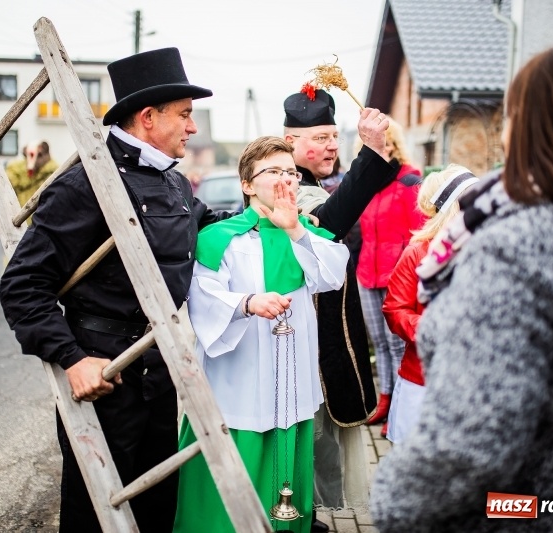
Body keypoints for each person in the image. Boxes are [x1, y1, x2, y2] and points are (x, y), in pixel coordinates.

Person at [370, 43, 553, 532]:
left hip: (535, 510)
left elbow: (472, 438)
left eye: (511, 117)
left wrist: (392, 501)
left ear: (529, 129)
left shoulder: (512, 247)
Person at [0, 47, 227, 533]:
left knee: (156, 508)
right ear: (148, 117)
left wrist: (269, 217)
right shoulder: (85, 184)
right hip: (105, 375)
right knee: (96, 514)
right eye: (185, 114)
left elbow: (210, 225)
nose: (193, 127)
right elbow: (22, 285)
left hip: (160, 369)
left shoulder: (175, 183)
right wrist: (72, 359)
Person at [173, 136, 349, 533]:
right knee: (235, 469)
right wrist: (247, 303)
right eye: (273, 171)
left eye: (291, 171)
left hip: (291, 379)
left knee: (287, 471)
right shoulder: (220, 238)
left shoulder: (304, 232)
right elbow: (201, 296)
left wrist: (295, 230)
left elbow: (332, 276)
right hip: (239, 378)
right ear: (247, 184)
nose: (285, 178)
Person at [283, 86, 394, 528]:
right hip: (297, 338)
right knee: (307, 439)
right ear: (290, 142)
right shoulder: (286, 185)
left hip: (319, 333)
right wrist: (370, 152)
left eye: (334, 136)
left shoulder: (306, 182)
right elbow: (328, 224)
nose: (331, 146)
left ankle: (304, 516)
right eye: (319, 138)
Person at [381, 164, 477, 444]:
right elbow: (395, 310)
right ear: (453, 209)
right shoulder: (418, 253)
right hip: (423, 380)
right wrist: (434, 328)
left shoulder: (490, 250)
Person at [355, 119, 427, 436]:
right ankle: (383, 399)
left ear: (395, 145)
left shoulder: (410, 180)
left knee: (398, 346)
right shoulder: (367, 182)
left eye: (385, 145)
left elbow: (419, 232)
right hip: (367, 273)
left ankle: (397, 406)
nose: (381, 151)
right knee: (380, 345)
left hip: (396, 275)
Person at [5, 140, 58, 207]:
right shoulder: (16, 170)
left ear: (47, 155)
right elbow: (8, 187)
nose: (35, 159)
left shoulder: (54, 173)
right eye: (28, 155)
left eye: (39, 155)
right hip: (19, 210)